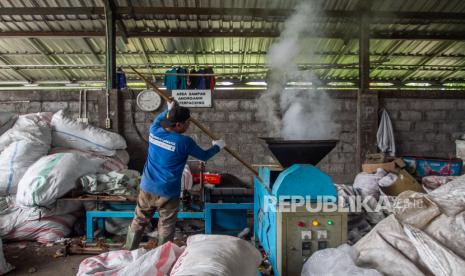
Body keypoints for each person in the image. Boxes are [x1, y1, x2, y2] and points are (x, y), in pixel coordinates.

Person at [124, 100, 225, 250]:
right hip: (168, 191)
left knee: (139, 219)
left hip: (147, 186)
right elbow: (203, 156)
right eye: (187, 123)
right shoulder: (184, 142)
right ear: (178, 125)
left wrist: (168, 110)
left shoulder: (154, 131)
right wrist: (217, 146)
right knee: (166, 224)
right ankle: (162, 256)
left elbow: (159, 120)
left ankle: (128, 250)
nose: (188, 126)